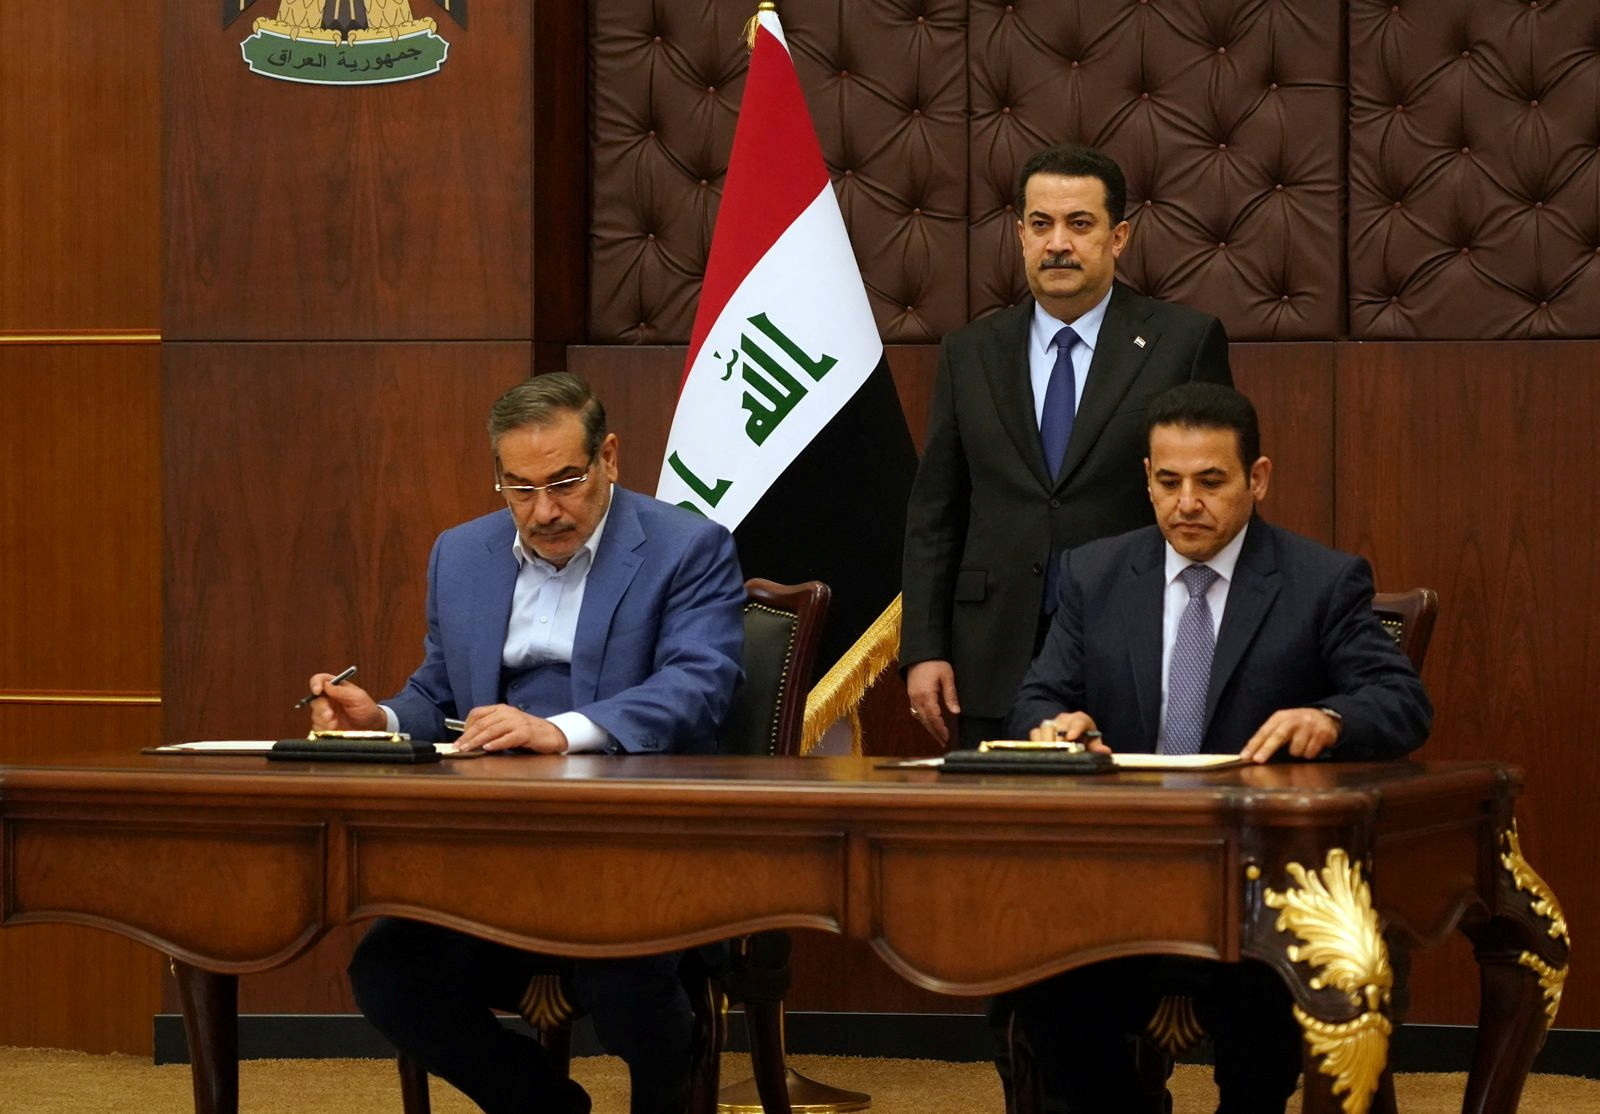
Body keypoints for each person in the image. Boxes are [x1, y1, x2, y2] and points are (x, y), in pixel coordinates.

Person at [305, 372, 745, 1114]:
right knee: (388, 972)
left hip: (632, 847)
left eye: (566, 482)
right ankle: (539, 1104)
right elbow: (438, 695)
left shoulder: (686, 548)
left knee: (631, 982)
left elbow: (698, 686)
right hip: (487, 846)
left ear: (608, 457)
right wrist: (375, 720)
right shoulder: (462, 553)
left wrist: (560, 731)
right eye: (521, 489)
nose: (544, 512)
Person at [1007, 382, 1432, 1113]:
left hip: (1261, 888)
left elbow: (1402, 704)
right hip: (1119, 881)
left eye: (1211, 482)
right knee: (1036, 975)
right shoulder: (1095, 574)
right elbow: (1037, 697)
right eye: (1168, 482)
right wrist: (1054, 724)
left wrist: (1329, 718)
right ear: (1146, 479)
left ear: (1256, 479)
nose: (1187, 503)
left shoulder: (1320, 582)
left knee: (1268, 1010)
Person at [901, 142, 1233, 752]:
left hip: (1132, 642)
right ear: (1020, 235)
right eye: (1041, 224)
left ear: (1119, 237)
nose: (1058, 243)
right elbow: (935, 512)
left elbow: (1212, 502)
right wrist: (924, 648)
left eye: (1080, 224)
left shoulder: (1182, 343)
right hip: (989, 655)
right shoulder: (969, 352)